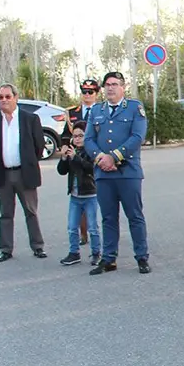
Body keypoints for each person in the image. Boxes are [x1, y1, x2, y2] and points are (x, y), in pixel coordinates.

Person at [84, 71, 151, 275]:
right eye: (107, 85)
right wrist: (101, 159)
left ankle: (141, 257)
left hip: (128, 172)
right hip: (104, 173)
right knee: (108, 217)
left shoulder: (133, 108)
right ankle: (109, 258)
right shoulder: (97, 110)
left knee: (135, 216)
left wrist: (114, 156)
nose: (110, 88)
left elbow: (137, 136)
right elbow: (88, 140)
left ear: (123, 87)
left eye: (114, 84)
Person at [0, 84, 46, 262]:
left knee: (31, 211)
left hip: (24, 173)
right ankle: (6, 249)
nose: (4, 100)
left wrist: (28, 163)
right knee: (5, 214)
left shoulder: (30, 119)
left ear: (16, 97)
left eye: (7, 96)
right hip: (3, 174)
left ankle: (37, 246)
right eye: (1, 97)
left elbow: (39, 146)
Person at [57, 128, 101, 266]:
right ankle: (74, 253)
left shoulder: (91, 151)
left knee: (92, 227)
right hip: (75, 196)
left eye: (81, 136)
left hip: (90, 194)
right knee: (72, 226)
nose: (77, 139)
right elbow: (62, 171)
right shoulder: (72, 151)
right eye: (75, 136)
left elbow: (91, 168)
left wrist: (76, 157)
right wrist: (64, 158)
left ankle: (96, 253)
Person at [68, 77, 101, 248]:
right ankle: (83, 234)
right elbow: (68, 136)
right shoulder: (72, 112)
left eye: (91, 92)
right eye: (84, 92)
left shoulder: (103, 110)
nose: (87, 95)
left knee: (97, 199)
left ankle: (99, 233)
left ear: (97, 93)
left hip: (95, 155)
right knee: (79, 193)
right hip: (77, 157)